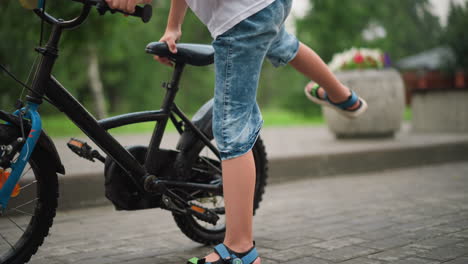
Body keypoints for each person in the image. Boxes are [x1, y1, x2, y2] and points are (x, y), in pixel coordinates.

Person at [106, 0, 368, 263]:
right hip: (264, 6)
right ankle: (342, 96)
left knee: (232, 129)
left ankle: (239, 250)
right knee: (283, 43)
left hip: (242, 18)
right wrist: (174, 26)